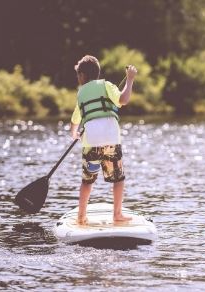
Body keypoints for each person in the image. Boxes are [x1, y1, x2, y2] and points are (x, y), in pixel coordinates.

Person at [70, 55, 137, 225]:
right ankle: (117, 214)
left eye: (78, 75)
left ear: (83, 76)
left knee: (87, 180)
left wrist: (74, 133)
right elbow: (124, 99)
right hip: (110, 139)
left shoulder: (81, 93)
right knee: (118, 178)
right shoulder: (107, 85)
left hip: (90, 141)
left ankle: (81, 216)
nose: (78, 78)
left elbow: (75, 120)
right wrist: (129, 80)